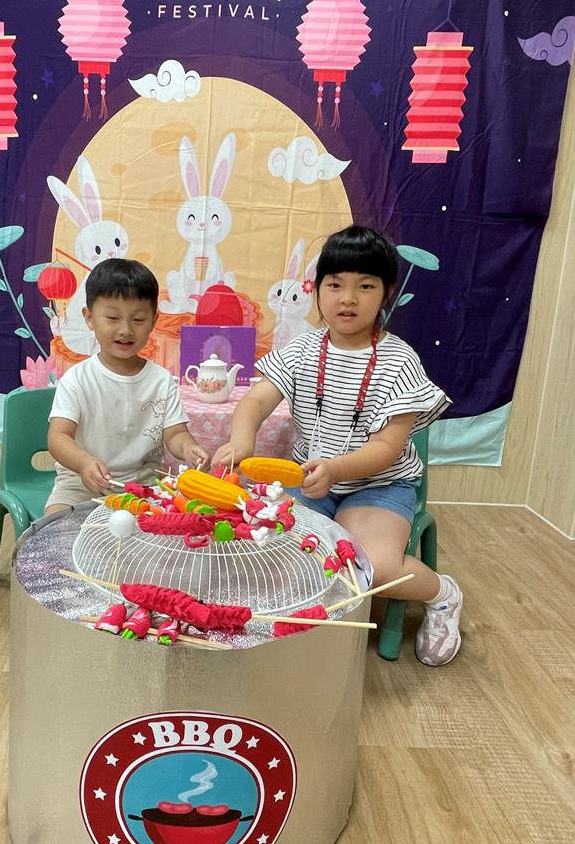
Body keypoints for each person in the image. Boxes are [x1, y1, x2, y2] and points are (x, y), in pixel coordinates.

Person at [212, 225, 462, 666]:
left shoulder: (400, 361)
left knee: (373, 566)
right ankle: (302, 618)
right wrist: (241, 440)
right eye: (335, 285)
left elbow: (387, 448)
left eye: (365, 286)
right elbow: (255, 400)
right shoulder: (302, 349)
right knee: (265, 547)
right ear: (317, 290)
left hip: (379, 486)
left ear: (386, 293)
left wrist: (336, 470)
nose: (348, 298)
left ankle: (443, 595)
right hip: (309, 480)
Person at [45, 258, 209, 512]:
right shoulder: (76, 379)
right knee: (56, 527)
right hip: (80, 483)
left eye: (138, 319)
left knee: (174, 526)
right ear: (89, 317)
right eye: (112, 317)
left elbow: (175, 433)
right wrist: (82, 462)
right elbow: (58, 436)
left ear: (153, 320)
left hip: (145, 485)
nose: (125, 330)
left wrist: (188, 447)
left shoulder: (161, 381)